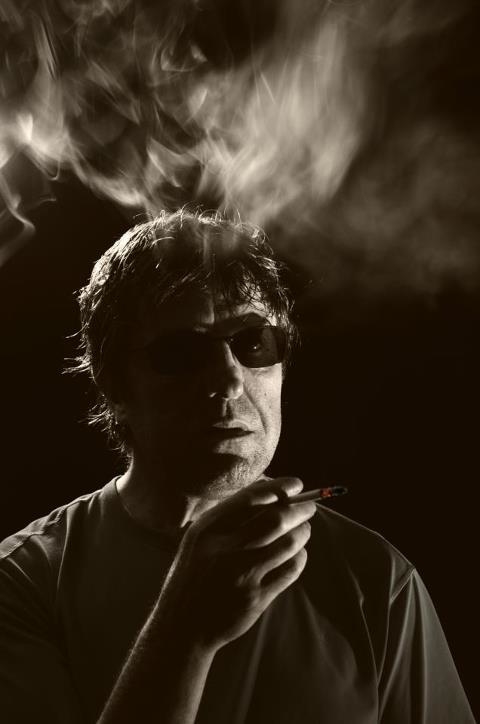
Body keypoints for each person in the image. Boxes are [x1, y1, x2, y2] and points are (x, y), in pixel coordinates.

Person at [0, 210, 475, 724]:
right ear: (114, 384)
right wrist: (184, 631)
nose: (228, 382)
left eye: (253, 342)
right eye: (180, 352)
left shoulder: (376, 580)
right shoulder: (25, 581)